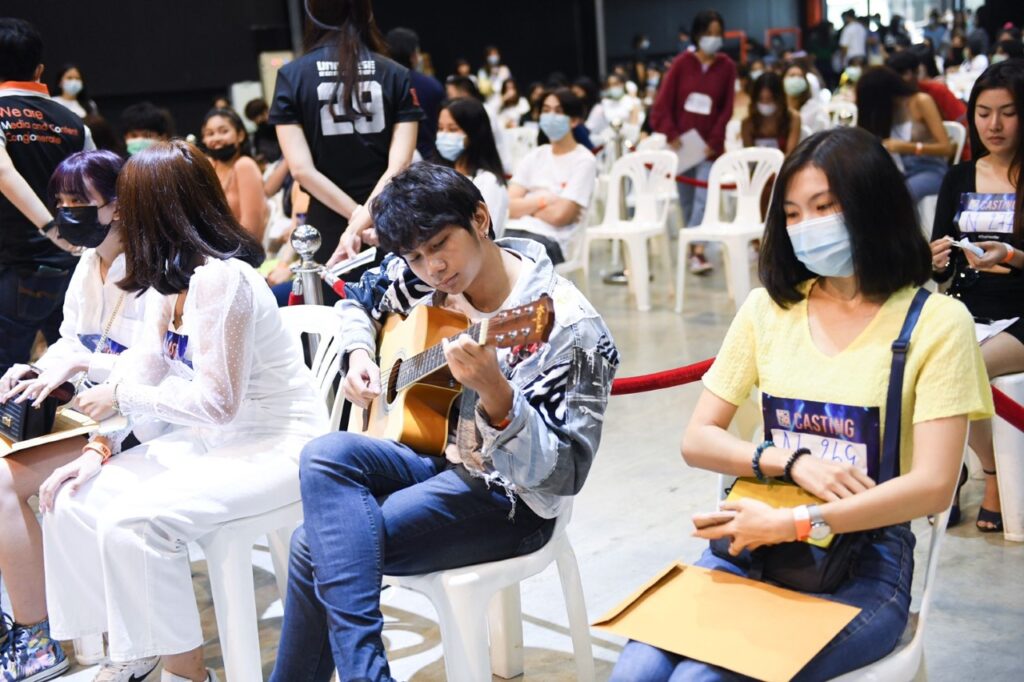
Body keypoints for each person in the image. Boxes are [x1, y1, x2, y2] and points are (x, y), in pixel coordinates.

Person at [610, 126, 992, 681]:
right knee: (635, 673)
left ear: (873, 206)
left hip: (863, 563)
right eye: (791, 213)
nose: (806, 226)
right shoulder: (767, 310)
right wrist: (790, 462)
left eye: (824, 206)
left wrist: (795, 521)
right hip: (752, 540)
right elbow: (698, 439)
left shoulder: (937, 323)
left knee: (700, 678)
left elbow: (934, 486)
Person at [269, 162, 618, 682]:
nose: (432, 267)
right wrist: (360, 352)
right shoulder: (420, 276)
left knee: (311, 545)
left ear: (480, 218)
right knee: (324, 455)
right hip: (434, 456)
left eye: (439, 245)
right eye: (415, 256)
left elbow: (564, 474)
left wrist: (498, 396)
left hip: (511, 498)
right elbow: (359, 299)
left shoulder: (572, 326)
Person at [39, 140, 327, 682]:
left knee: (133, 521)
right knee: (72, 498)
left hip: (278, 443)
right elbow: (145, 373)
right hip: (216, 441)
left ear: (158, 208)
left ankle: (186, 672)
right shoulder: (168, 281)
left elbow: (216, 404)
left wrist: (119, 396)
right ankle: (131, 650)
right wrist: (100, 448)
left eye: (130, 204)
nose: (121, 217)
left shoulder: (222, 279)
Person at [0, 150, 162, 682]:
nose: (66, 212)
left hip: (142, 424)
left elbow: (159, 368)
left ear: (119, 204)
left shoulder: (157, 268)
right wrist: (36, 371)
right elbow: (71, 339)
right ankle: (20, 625)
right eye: (61, 201)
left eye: (79, 202)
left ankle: (36, 639)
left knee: (3, 484)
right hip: (93, 418)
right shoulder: (88, 264)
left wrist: (86, 365)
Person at [929, 60, 1024, 533]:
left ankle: (991, 476)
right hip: (967, 306)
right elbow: (941, 260)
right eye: (984, 113)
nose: (994, 125)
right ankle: (959, 467)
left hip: (1020, 313)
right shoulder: (958, 178)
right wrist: (936, 262)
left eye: (1007, 112)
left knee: (965, 366)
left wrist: (1013, 255)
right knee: (923, 360)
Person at [269, 0, 421, 268]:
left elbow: (302, 171)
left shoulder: (291, 76)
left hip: (328, 227)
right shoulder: (396, 74)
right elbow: (400, 165)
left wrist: (356, 219)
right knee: (399, 292)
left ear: (311, 12)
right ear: (366, 11)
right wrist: (365, 218)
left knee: (332, 295)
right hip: (388, 219)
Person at [0, 17, 94, 375]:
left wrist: (49, 227)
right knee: (68, 374)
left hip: (14, 269)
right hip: (70, 267)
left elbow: (3, 172)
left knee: (7, 374)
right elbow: (99, 187)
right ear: (39, 70)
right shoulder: (74, 122)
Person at [650, 9, 736, 274]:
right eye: (708, 33)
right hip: (683, 146)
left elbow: (726, 108)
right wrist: (671, 133)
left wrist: (715, 140)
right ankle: (692, 248)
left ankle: (697, 249)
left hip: (709, 147)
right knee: (687, 200)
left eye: (717, 33)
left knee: (704, 196)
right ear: (697, 34)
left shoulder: (727, 67)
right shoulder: (681, 64)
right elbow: (663, 103)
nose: (713, 38)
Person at [504, 88, 597, 265]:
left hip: (549, 239)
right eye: (546, 111)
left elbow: (559, 216)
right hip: (511, 230)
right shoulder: (535, 155)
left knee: (508, 266)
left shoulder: (584, 160)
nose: (550, 117)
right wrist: (544, 200)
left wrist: (525, 205)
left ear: (574, 120)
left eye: (558, 111)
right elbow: (508, 206)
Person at [856, 66, 954, 202]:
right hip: (896, 171)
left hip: (929, 169)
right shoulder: (884, 112)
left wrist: (908, 147)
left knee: (897, 198)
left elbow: (946, 148)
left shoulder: (920, 101)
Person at [435, 98, 509, 236]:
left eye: (452, 129)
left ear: (474, 134)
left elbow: (486, 235)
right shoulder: (436, 174)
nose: (444, 135)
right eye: (440, 128)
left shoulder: (489, 182)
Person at [200, 107, 268, 242]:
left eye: (224, 131)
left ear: (240, 135)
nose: (216, 138)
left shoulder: (244, 165)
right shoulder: (208, 166)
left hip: (240, 249)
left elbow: (251, 231)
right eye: (210, 133)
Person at [386, 27, 444, 160]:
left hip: (390, 158)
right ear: (414, 55)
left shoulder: (381, 84)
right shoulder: (432, 85)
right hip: (428, 158)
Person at [783, 63, 827, 134]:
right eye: (792, 75)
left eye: (800, 76)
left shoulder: (814, 109)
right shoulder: (777, 107)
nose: (796, 79)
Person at [244, 97, 283, 165]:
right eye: (254, 119)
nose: (258, 120)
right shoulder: (257, 135)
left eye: (261, 115)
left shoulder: (280, 127)